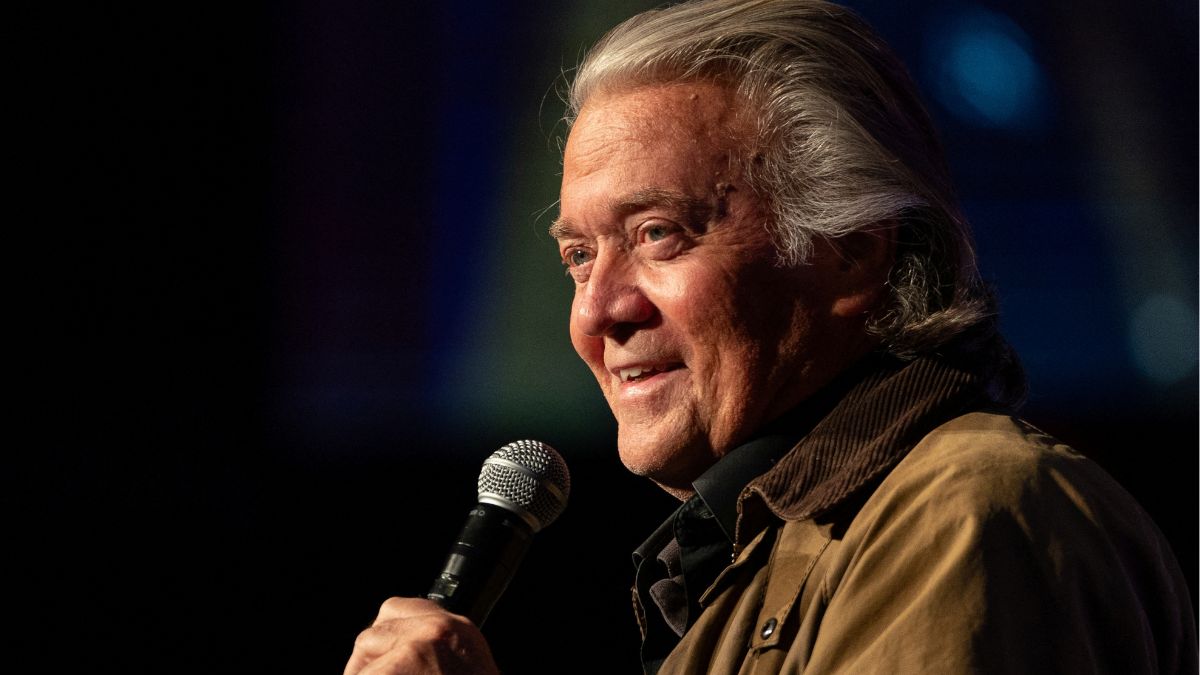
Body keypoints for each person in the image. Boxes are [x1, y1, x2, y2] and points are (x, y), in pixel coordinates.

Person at [344, 1, 1196, 673]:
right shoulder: (763, 553)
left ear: (854, 253)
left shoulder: (963, 514)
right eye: (577, 255)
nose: (598, 311)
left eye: (658, 234)